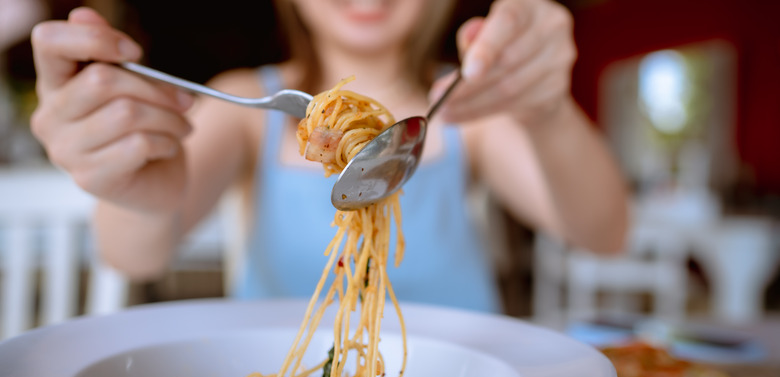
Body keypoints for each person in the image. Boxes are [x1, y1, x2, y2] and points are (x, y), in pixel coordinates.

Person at [29, 0, 628, 313]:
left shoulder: (475, 102)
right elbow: (132, 254)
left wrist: (546, 109)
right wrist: (136, 187)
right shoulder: (245, 102)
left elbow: (603, 231)